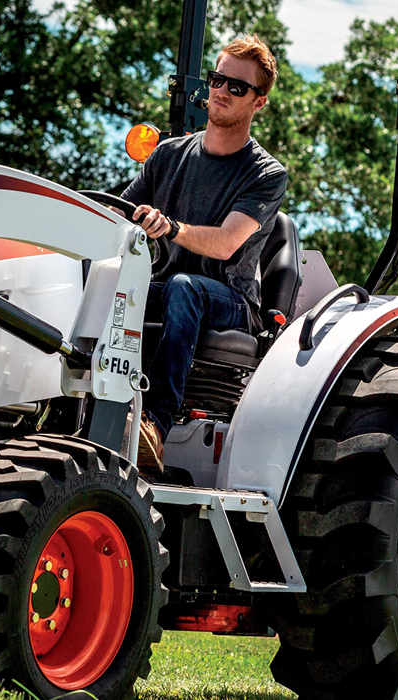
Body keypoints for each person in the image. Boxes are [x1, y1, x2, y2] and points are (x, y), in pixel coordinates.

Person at [123, 35, 288, 473]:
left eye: (238, 87)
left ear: (259, 102)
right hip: (167, 287)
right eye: (218, 79)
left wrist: (172, 228)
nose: (222, 91)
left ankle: (154, 423)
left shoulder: (266, 174)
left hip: (229, 300)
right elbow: (116, 215)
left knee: (184, 288)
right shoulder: (167, 156)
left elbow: (228, 243)